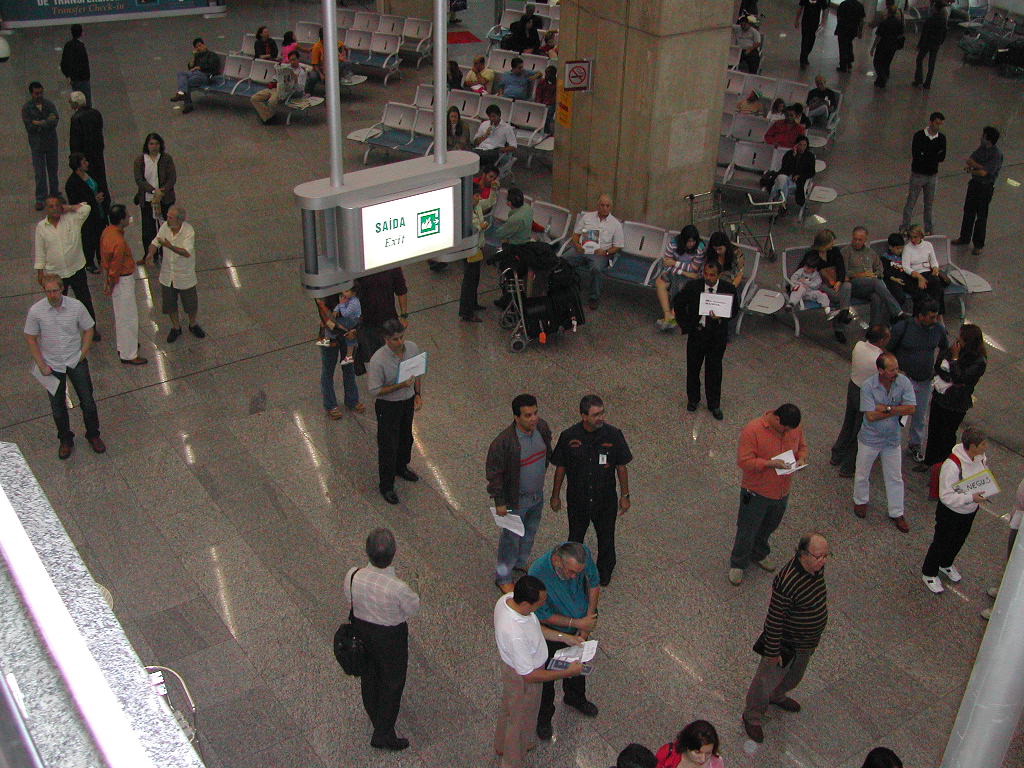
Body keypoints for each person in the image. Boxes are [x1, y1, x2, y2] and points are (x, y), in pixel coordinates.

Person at [742, 533, 830, 744]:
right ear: (802, 554)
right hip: (785, 645)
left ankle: (777, 695)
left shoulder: (816, 570)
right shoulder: (787, 581)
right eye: (819, 556)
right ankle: (752, 716)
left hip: (806, 642)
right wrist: (772, 652)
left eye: (826, 555)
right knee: (765, 681)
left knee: (794, 677)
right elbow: (774, 620)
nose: (823, 561)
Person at [494, 575, 584, 768]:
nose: (545, 604)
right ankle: (512, 761)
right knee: (519, 720)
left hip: (515, 670)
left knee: (509, 709)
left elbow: (534, 627)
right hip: (524, 679)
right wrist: (566, 672)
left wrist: (564, 638)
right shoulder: (515, 633)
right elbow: (530, 675)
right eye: (541, 602)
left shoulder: (507, 600)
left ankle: (501, 745)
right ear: (527, 603)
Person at [345, 528, 420, 751]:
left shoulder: (352, 575)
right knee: (392, 681)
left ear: (367, 551)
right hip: (390, 638)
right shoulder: (398, 588)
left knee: (369, 675)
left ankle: (375, 714)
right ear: (393, 554)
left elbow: (349, 600)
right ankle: (383, 733)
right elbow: (412, 608)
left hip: (361, 631)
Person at [549, 395, 632, 586]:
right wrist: (555, 496)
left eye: (602, 413)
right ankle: (572, 571)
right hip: (578, 500)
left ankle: (604, 573)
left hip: (605, 500)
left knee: (606, 538)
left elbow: (621, 467)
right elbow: (560, 467)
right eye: (596, 414)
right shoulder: (569, 436)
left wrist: (625, 496)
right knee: (575, 537)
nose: (601, 418)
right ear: (583, 416)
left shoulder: (613, 435)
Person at [25, 274, 105, 459]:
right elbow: (30, 338)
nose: (52, 295)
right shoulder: (36, 311)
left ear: (62, 289)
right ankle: (65, 439)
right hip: (52, 366)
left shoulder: (76, 307)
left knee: (88, 402)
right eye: (48, 291)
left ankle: (93, 435)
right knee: (57, 407)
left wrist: (82, 354)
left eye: (55, 291)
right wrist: (41, 364)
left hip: (74, 361)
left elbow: (89, 329)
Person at [528, 541, 601, 740]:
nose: (574, 578)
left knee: (578, 666)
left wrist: (588, 621)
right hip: (554, 633)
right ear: (556, 560)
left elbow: (594, 584)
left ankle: (575, 697)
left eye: (578, 573)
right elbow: (543, 615)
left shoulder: (582, 553)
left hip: (581, 627)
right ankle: (544, 718)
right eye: (570, 572)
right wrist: (577, 622)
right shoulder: (537, 573)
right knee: (548, 675)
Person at [729, 405, 808, 585]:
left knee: (770, 525)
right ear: (777, 419)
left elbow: (802, 446)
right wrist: (769, 464)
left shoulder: (794, 428)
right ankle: (738, 563)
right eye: (785, 429)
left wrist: (802, 457)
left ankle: (759, 552)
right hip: (756, 492)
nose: (787, 433)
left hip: (782, 491)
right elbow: (744, 462)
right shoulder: (753, 430)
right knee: (747, 528)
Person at [487, 394, 553, 592]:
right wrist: (499, 501)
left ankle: (520, 562)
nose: (533, 419)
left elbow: (546, 455)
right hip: (515, 501)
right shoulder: (504, 442)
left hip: (536, 496)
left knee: (530, 533)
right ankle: (503, 576)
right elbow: (494, 473)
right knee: (510, 540)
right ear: (516, 418)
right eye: (527, 415)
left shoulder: (542, 429)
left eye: (535, 413)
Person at [921, 426, 990, 593]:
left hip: (970, 511)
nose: (985, 447)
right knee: (941, 542)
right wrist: (970, 498)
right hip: (950, 513)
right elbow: (946, 496)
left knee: (959, 539)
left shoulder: (981, 458)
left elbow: (981, 476)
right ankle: (929, 573)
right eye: (982, 444)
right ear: (972, 446)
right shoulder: (952, 466)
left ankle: (946, 563)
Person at [853, 352, 916, 532]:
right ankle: (860, 501)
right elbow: (870, 415)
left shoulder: (903, 382)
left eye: (896, 368)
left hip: (892, 439)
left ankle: (897, 512)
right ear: (880, 370)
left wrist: (887, 408)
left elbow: (911, 408)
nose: (896, 372)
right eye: (892, 369)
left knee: (895, 476)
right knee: (862, 472)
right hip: (870, 438)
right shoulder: (868, 386)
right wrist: (897, 409)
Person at [673, 261, 739, 420]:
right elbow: (679, 303)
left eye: (712, 275)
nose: (708, 278)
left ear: (719, 275)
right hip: (698, 332)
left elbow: (734, 309)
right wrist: (686, 325)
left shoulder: (728, 289)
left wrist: (723, 315)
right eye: (706, 274)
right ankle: (693, 399)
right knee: (693, 368)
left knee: (714, 369)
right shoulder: (694, 286)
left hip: (717, 335)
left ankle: (714, 404)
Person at [367, 320, 423, 505]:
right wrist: (400, 385)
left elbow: (418, 372)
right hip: (388, 407)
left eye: (401, 338)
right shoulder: (378, 361)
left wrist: (417, 394)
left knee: (406, 437)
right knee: (388, 445)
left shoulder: (412, 348)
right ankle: (387, 485)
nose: (400, 343)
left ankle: (401, 467)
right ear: (386, 339)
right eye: (394, 339)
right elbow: (375, 390)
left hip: (407, 402)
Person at [887, 299, 946, 464]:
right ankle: (887, 443)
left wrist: (937, 367)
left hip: (925, 380)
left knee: (919, 415)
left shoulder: (938, 330)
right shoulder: (903, 328)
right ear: (920, 316)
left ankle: (915, 444)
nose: (935, 321)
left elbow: (944, 347)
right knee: (894, 414)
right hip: (902, 380)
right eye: (932, 317)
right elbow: (888, 349)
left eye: (936, 317)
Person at [33, 196, 99, 337]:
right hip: (55, 274)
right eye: (51, 206)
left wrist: (68, 208)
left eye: (58, 205)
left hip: (76, 268)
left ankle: (91, 330)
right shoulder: (41, 228)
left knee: (85, 300)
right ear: (46, 209)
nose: (55, 208)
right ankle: (59, 332)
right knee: (56, 304)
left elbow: (86, 207)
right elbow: (40, 251)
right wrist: (40, 272)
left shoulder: (72, 219)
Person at [922, 323, 987, 467]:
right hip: (941, 397)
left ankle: (942, 466)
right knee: (934, 429)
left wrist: (955, 360)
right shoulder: (955, 348)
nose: (957, 340)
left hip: (956, 403)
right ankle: (929, 461)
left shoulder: (979, 361)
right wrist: (948, 375)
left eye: (961, 338)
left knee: (947, 435)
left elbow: (960, 378)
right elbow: (939, 365)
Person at [830, 324, 890, 478]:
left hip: (854, 387)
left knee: (848, 423)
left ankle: (837, 454)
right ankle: (849, 466)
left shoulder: (858, 346)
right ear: (882, 340)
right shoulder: (879, 359)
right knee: (860, 431)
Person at [145, 206, 204, 343]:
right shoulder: (165, 227)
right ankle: (176, 327)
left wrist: (169, 245)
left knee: (190, 304)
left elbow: (186, 252)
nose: (167, 219)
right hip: (167, 275)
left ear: (179, 220)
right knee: (170, 304)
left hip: (184, 275)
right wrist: (150, 253)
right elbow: (156, 241)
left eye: (170, 217)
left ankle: (193, 324)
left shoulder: (188, 231)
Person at [100, 205, 147, 366]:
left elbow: (106, 262)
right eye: (127, 216)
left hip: (116, 281)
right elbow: (116, 267)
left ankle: (124, 345)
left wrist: (108, 282)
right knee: (129, 318)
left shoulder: (107, 232)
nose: (129, 217)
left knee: (120, 316)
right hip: (122, 281)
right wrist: (111, 285)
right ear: (121, 220)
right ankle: (130, 354)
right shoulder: (119, 242)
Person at [563, 194, 625, 311]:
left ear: (611, 207)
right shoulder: (587, 217)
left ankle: (594, 297)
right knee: (563, 260)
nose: (604, 208)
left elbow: (618, 246)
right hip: (582, 250)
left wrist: (605, 252)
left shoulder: (615, 224)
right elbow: (576, 235)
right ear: (598, 205)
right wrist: (577, 245)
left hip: (600, 254)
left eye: (607, 206)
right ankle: (566, 288)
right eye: (602, 205)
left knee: (596, 269)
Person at [953, 126, 1003, 255]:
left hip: (985, 188)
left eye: (983, 136)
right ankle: (964, 237)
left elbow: (984, 173)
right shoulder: (981, 149)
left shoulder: (996, 155)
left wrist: (975, 168)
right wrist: (979, 167)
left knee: (981, 216)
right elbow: (970, 160)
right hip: (974, 184)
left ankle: (978, 244)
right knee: (968, 211)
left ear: (988, 139)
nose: (981, 138)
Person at [841, 226, 904, 326]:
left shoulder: (870, 253)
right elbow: (843, 273)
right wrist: (861, 274)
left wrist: (876, 274)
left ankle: (874, 328)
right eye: (855, 239)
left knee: (876, 297)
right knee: (875, 282)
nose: (857, 242)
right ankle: (897, 312)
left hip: (870, 285)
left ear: (865, 240)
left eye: (860, 240)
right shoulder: (846, 252)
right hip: (854, 284)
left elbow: (880, 268)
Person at [315, 291, 364, 419]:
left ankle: (352, 400)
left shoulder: (352, 290)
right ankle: (330, 405)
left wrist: (356, 330)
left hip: (348, 333)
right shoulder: (322, 291)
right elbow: (327, 319)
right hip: (328, 335)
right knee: (328, 369)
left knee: (349, 366)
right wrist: (347, 331)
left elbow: (360, 313)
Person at [797, 229, 850, 341]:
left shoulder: (835, 251)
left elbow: (841, 268)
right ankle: (842, 318)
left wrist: (839, 281)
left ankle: (843, 312)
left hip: (835, 282)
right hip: (819, 284)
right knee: (838, 297)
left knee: (847, 286)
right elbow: (802, 272)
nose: (833, 245)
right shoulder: (811, 255)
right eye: (831, 243)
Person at [982, 477, 1024, 619]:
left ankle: (1002, 609)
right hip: (1020, 519)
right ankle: (1005, 590)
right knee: (1011, 562)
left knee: (1018, 572)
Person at [900, 113, 947, 235]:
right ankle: (905, 227)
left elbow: (942, 157)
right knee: (911, 202)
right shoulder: (919, 136)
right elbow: (917, 155)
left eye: (940, 124)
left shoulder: (942, 138)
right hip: (918, 175)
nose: (938, 126)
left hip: (932, 176)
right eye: (937, 123)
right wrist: (932, 156)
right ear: (931, 122)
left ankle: (929, 229)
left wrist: (926, 155)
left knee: (929, 204)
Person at [354, 267, 409, 368]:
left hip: (386, 321)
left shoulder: (392, 266)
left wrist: (404, 316)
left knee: (392, 358)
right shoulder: (359, 267)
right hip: (368, 323)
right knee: (372, 360)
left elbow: (401, 290)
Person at [133, 132, 177, 257]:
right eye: (151, 144)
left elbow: (172, 178)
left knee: (166, 227)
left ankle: (166, 252)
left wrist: (162, 191)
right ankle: (150, 253)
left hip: (165, 199)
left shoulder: (166, 159)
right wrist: (153, 191)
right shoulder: (140, 161)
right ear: (147, 145)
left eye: (157, 144)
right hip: (147, 199)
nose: (154, 146)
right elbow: (139, 180)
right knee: (148, 229)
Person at [64, 152, 109, 275]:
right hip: (87, 216)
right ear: (78, 166)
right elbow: (75, 202)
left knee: (101, 236)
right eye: (84, 162)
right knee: (90, 239)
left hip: (98, 211)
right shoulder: (72, 183)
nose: (87, 163)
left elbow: (99, 187)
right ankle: (89, 262)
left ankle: (101, 258)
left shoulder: (89, 175)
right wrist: (93, 200)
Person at [655, 224, 705, 330]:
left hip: (691, 277)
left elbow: (694, 268)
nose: (691, 244)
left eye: (693, 241)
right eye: (689, 241)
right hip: (676, 273)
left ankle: (673, 315)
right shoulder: (673, 244)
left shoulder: (700, 248)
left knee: (685, 286)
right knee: (660, 282)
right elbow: (666, 263)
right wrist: (683, 271)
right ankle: (667, 314)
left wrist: (675, 263)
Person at [22, 82, 61, 211]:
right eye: (36, 93)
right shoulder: (27, 108)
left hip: (51, 143)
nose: (39, 95)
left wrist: (39, 123)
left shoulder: (49, 104)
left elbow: (54, 120)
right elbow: (30, 127)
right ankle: (40, 198)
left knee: (53, 170)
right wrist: (45, 123)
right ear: (31, 94)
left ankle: (55, 193)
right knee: (39, 173)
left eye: (41, 93)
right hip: (37, 145)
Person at [251, 50, 307, 124]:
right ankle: (269, 116)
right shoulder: (286, 68)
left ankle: (266, 117)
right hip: (276, 87)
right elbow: (276, 78)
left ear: (298, 59)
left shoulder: (301, 72)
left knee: (271, 102)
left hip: (286, 91)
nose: (292, 62)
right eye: (290, 60)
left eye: (294, 60)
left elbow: (300, 89)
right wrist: (276, 75)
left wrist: (296, 81)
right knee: (254, 98)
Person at [459, 184, 488, 322]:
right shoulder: (464, 212)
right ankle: (466, 312)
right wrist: (479, 227)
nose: (479, 198)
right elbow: (465, 229)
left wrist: (494, 191)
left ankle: (473, 304)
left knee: (475, 278)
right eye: (477, 196)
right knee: (469, 281)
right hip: (470, 249)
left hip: (477, 248)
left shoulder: (476, 207)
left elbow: (489, 202)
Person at [170, 38, 221, 114]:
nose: (199, 48)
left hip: (205, 75)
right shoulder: (198, 56)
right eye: (197, 47)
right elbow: (190, 67)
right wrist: (193, 57)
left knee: (186, 83)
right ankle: (182, 94)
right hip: (194, 73)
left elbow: (212, 66)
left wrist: (200, 67)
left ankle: (185, 100)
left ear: (204, 45)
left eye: (200, 46)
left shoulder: (212, 55)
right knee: (181, 73)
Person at [68, 91, 106, 186]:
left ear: (75, 103)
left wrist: (74, 157)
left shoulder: (76, 118)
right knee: (100, 176)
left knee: (88, 180)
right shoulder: (96, 113)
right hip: (97, 153)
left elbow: (75, 141)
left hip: (84, 155)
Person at [770, 135, 816, 210]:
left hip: (797, 182)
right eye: (800, 145)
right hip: (786, 177)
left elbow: (811, 172)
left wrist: (800, 176)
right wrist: (793, 157)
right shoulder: (789, 154)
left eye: (804, 145)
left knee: (781, 185)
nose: (802, 147)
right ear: (796, 145)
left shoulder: (809, 156)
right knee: (783, 180)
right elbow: (785, 169)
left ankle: (776, 206)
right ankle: (781, 205)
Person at [654, 720, 725, 768]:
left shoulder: (716, 763)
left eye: (708, 753)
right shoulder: (667, 753)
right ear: (686, 745)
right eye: (697, 752)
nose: (703, 759)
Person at [913, 0, 948, 88]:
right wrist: (940, 42)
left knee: (919, 59)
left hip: (927, 43)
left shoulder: (930, 19)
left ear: (935, 8)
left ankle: (918, 80)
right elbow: (945, 33)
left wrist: (919, 45)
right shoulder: (943, 20)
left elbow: (924, 33)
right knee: (931, 63)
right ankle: (927, 83)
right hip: (936, 44)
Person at [870, 0, 904, 88]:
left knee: (877, 62)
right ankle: (882, 78)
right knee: (886, 62)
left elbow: (878, 35)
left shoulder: (884, 21)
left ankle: (882, 78)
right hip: (893, 45)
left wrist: (873, 47)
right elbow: (901, 33)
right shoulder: (899, 18)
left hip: (883, 45)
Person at [60, 24, 91, 106]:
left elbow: (63, 63)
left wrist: (68, 75)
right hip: (83, 78)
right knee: (85, 101)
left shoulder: (68, 45)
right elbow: (83, 64)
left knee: (77, 100)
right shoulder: (80, 46)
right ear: (81, 33)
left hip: (74, 79)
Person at [794, 0, 828, 69]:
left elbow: (825, 9)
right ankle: (803, 59)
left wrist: (823, 22)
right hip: (805, 22)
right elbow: (800, 8)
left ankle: (805, 55)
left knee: (811, 40)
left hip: (814, 23)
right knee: (805, 40)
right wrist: (797, 20)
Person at [834, 0, 866, 73]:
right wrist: (860, 31)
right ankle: (849, 61)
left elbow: (838, 16)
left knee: (842, 46)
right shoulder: (859, 6)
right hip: (853, 29)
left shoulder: (843, 4)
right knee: (849, 43)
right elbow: (861, 20)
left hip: (843, 28)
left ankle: (843, 65)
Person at [534, 65, 557, 133]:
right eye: (546, 73)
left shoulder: (557, 84)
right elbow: (538, 93)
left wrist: (548, 103)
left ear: (553, 74)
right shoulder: (542, 82)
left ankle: (546, 129)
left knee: (549, 111)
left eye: (549, 74)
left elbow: (555, 97)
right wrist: (539, 102)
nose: (547, 75)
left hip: (551, 104)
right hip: (542, 102)